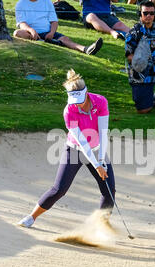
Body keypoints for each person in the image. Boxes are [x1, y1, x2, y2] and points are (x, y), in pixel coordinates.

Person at [17, 69, 115, 228]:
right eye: (73, 101)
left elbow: (103, 133)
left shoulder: (101, 101)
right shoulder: (69, 111)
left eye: (79, 100)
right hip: (75, 150)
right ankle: (31, 217)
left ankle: (101, 227)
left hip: (97, 149)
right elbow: (82, 143)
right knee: (59, 189)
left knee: (109, 190)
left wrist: (101, 160)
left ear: (86, 92)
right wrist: (97, 165)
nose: (76, 104)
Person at [14, 0, 103, 56]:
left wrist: (52, 33)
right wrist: (31, 30)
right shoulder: (20, 4)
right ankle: (49, 42)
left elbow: (54, 21)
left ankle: (85, 49)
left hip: (47, 32)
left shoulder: (47, 2)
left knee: (65, 39)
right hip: (30, 33)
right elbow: (22, 23)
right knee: (17, 33)